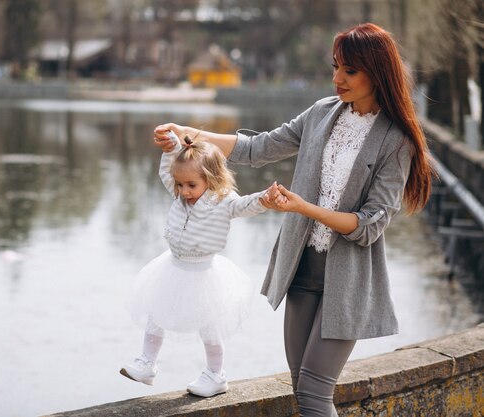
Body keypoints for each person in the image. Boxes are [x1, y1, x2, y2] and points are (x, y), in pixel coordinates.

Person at [153, 23, 434, 416]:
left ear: (378, 72)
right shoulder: (321, 113)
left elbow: (370, 225)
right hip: (300, 271)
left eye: (349, 71)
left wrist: (303, 207)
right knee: (303, 392)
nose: (337, 78)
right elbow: (256, 148)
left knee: (316, 394)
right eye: (335, 67)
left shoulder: (395, 140)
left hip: (348, 280)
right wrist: (188, 133)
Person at [120, 131, 274, 398]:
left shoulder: (223, 202)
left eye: (190, 185)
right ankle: (147, 363)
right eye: (180, 185)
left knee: (210, 329)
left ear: (211, 179)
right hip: (173, 267)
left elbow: (245, 206)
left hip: (204, 274)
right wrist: (171, 149)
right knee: (155, 316)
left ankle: (216, 375)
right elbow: (169, 173)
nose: (183, 191)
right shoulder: (180, 192)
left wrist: (264, 198)